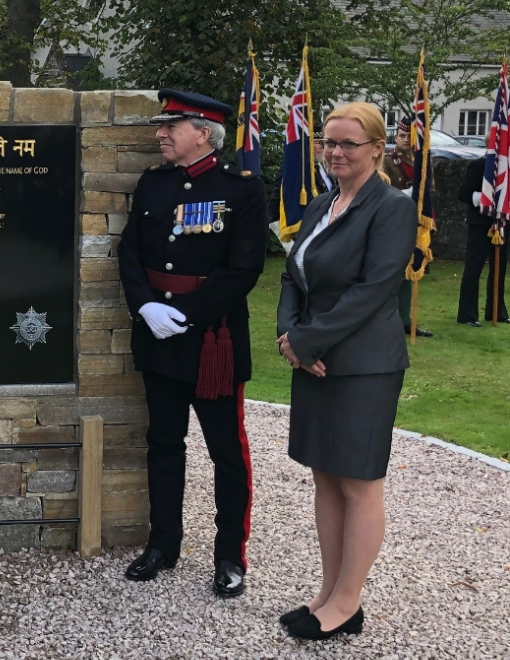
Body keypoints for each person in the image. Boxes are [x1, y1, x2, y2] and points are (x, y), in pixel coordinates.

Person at [117, 89, 269, 598]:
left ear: (203, 133)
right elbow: (130, 251)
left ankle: (230, 556)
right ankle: (163, 544)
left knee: (226, 451)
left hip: (210, 340)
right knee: (163, 443)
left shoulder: (242, 190)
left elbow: (244, 268)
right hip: (158, 333)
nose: (161, 134)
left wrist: (184, 314)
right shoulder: (153, 183)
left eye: (171, 126)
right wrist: (146, 306)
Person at [277, 102, 417, 640]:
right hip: (313, 360)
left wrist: (307, 339)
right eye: (327, 143)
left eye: (347, 144)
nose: (334, 152)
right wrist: (289, 336)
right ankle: (328, 592)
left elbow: (374, 290)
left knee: (358, 483)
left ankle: (348, 603)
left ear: (377, 149)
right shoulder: (321, 204)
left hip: (362, 366)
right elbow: (292, 275)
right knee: (325, 478)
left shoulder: (392, 208)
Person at [380, 116, 433, 338]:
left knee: (409, 271)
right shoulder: (387, 160)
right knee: (392, 272)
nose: (403, 140)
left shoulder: (421, 162)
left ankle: (405, 320)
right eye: (400, 135)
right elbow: (382, 189)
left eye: (407, 136)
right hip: (392, 220)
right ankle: (387, 318)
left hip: (414, 222)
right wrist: (407, 195)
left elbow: (430, 189)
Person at [456, 157, 509, 326]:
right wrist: (485, 198)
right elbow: (463, 194)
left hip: (502, 222)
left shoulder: (506, 167)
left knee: (499, 268)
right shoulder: (479, 165)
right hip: (480, 224)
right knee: (474, 267)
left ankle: (496, 311)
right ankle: (467, 315)